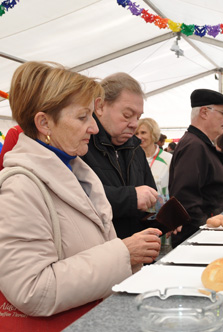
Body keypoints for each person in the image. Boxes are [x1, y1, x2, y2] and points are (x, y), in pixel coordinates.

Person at [0, 61, 161, 319]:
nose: (94, 127)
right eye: (82, 117)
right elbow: (32, 290)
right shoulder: (21, 187)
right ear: (44, 123)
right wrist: (124, 253)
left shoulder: (76, 171)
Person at [81, 72, 160, 239]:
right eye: (127, 115)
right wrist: (131, 198)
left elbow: (150, 196)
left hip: (137, 255)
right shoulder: (81, 145)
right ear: (100, 106)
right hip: (101, 255)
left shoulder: (136, 150)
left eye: (138, 117)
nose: (134, 124)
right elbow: (78, 195)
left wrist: (163, 219)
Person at [169, 89, 223, 246]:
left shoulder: (198, 144)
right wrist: (208, 230)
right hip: (199, 240)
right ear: (204, 112)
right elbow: (186, 201)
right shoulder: (194, 146)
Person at [136, 118, 172, 199]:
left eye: (143, 133)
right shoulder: (131, 159)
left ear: (153, 134)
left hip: (163, 208)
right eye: (136, 133)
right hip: (140, 208)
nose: (139, 137)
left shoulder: (168, 159)